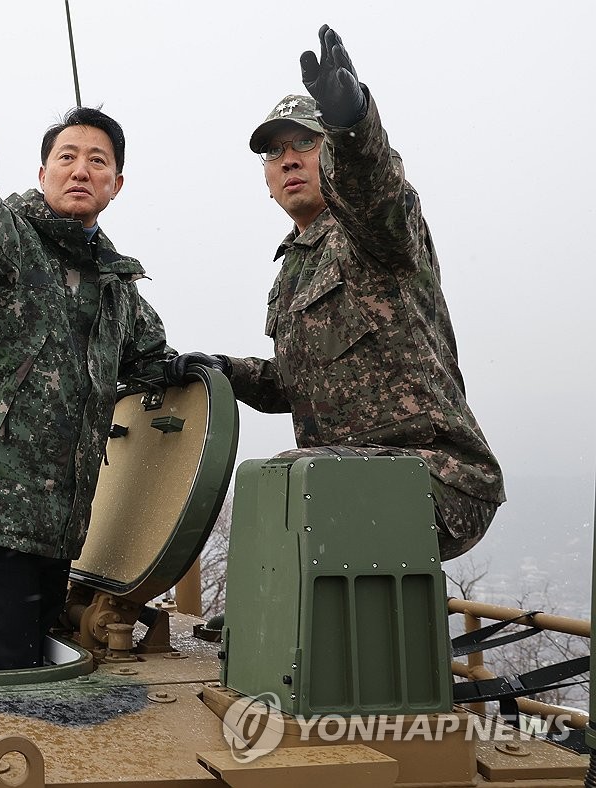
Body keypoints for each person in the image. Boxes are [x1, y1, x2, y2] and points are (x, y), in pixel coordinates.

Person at [172, 25, 504, 561]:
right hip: (346, 481)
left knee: (286, 485)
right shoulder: (294, 269)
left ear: (329, 155)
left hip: (436, 474)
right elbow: (295, 381)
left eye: (306, 140)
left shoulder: (374, 234)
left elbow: (374, 188)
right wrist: (221, 369)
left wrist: (351, 124)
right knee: (288, 492)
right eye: (274, 152)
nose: (289, 158)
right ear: (266, 178)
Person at [0, 96, 181, 669]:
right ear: (42, 172)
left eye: (97, 161)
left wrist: (220, 373)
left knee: (38, 669)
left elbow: (154, 360)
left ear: (117, 183)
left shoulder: (114, 287)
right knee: (10, 678)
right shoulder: (10, 247)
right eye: (67, 156)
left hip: (58, 529)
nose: (81, 170)